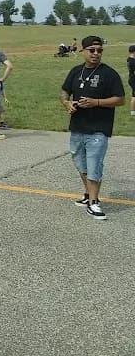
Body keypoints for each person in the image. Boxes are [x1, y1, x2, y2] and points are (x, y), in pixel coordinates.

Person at [60, 35, 125, 220]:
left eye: (99, 51)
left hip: (99, 128)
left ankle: (94, 203)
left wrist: (96, 102)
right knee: (81, 164)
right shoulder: (75, 71)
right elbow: (64, 91)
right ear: (83, 51)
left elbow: (120, 99)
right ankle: (88, 194)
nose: (96, 54)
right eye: (92, 50)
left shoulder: (108, 74)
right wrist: (67, 103)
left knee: (94, 164)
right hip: (78, 126)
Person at [128, 44, 135, 117]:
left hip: (131, 79)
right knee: (134, 96)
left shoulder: (129, 59)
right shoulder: (133, 62)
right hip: (134, 80)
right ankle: (132, 112)